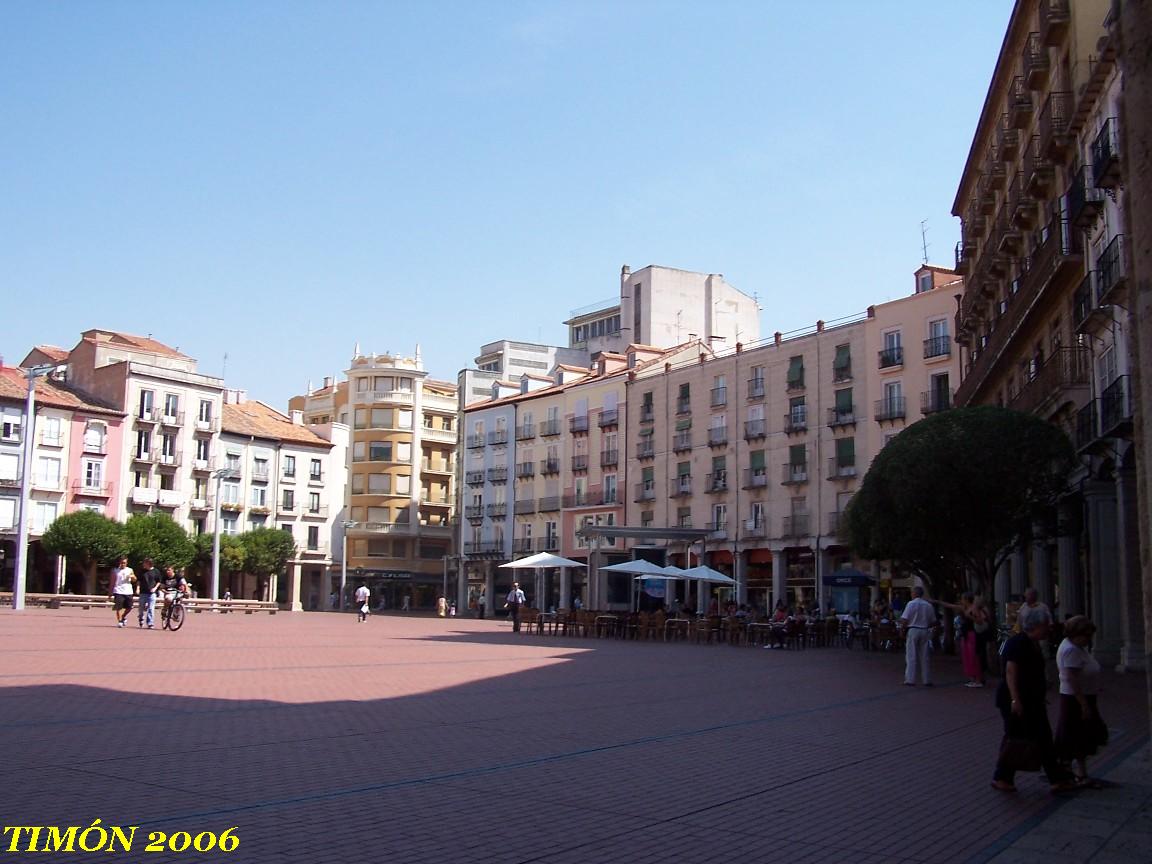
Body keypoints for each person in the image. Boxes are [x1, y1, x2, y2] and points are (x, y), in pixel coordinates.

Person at [992, 615, 1077, 793]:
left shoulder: (1033, 643)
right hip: (1016, 700)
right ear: (1036, 626)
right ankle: (1002, 777)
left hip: (1032, 700)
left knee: (1041, 736)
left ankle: (1055, 778)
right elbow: (1010, 671)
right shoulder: (1017, 643)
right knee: (1017, 737)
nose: (1049, 629)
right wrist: (1015, 699)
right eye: (1046, 625)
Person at [1054, 616, 1107, 787]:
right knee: (1076, 735)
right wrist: (1083, 704)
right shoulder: (1071, 650)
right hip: (1075, 698)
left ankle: (1075, 771)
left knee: (1078, 735)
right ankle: (1072, 772)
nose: (1088, 639)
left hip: (1082, 695)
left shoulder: (1077, 648)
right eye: (1086, 636)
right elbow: (1072, 679)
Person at [937, 593, 984, 687]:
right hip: (965, 634)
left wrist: (970, 616)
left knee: (973, 657)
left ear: (967, 599)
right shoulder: (964, 608)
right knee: (967, 657)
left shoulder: (973, 609)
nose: (961, 601)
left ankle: (978, 679)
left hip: (972, 634)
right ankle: (972, 678)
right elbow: (951, 606)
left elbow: (980, 621)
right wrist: (938, 602)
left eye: (963, 599)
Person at [900, 586, 937, 686]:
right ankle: (926, 679)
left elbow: (905, 619)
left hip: (913, 629)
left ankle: (910, 679)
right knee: (925, 656)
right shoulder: (928, 605)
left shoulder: (911, 604)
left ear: (914, 593)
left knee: (911, 655)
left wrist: (902, 629)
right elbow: (933, 621)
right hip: (924, 629)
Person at [109, 556, 136, 628]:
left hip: (128, 591)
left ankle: (123, 616)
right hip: (118, 591)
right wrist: (110, 592)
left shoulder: (130, 570)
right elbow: (112, 582)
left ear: (126, 563)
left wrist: (132, 577)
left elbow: (134, 579)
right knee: (119, 608)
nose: (122, 564)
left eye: (124, 563)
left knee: (130, 607)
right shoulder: (115, 570)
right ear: (119, 562)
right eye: (121, 562)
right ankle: (120, 621)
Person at [136, 557, 161, 629]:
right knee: (141, 608)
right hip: (143, 592)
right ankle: (141, 618)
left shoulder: (156, 571)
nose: (143, 564)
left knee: (151, 608)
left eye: (144, 563)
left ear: (148, 563)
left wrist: (155, 588)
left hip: (152, 593)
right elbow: (139, 581)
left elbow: (159, 581)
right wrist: (138, 588)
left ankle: (150, 623)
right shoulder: (142, 571)